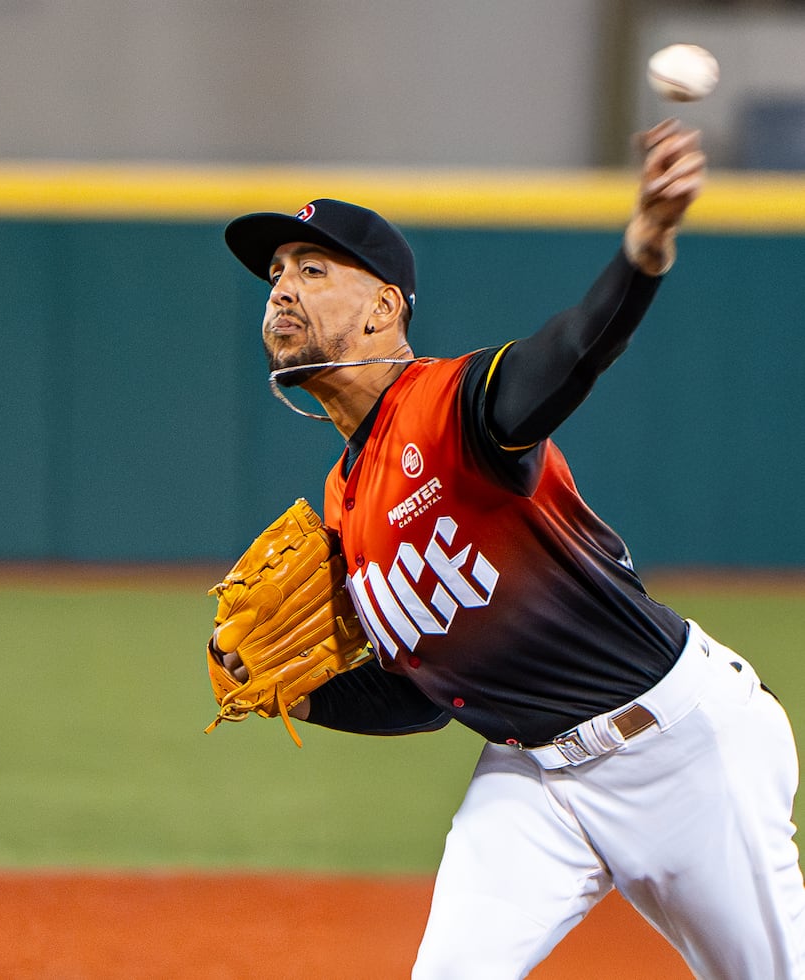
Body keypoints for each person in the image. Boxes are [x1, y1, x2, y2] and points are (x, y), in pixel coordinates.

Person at [220, 118, 805, 978]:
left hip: (682, 750)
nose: (282, 289)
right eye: (276, 273)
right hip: (531, 782)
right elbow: (426, 694)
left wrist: (643, 252)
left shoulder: (450, 407)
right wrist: (300, 696)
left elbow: (569, 353)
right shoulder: (345, 499)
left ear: (384, 308)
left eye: (313, 269)